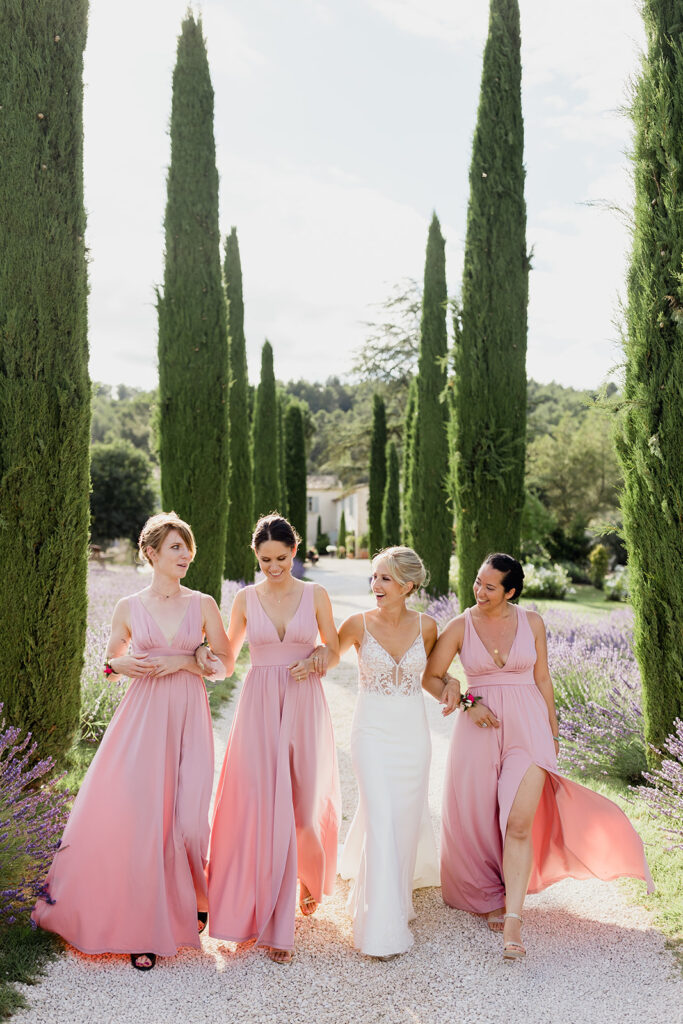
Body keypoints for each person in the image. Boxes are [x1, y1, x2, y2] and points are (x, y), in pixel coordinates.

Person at [423, 553, 654, 961]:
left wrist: (553, 730)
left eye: (490, 586)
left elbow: (542, 676)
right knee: (477, 815)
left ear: (510, 591)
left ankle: (514, 916)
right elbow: (432, 676)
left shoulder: (532, 623)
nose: (479, 591)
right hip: (479, 730)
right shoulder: (459, 625)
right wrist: (466, 700)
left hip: (528, 730)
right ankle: (487, 891)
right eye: (478, 582)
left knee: (517, 821)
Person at [32, 512, 233, 971]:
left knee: (188, 823)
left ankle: (198, 899)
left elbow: (225, 663)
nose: (186, 555)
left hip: (187, 716)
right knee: (145, 824)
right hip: (141, 720)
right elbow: (110, 660)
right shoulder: (128, 605)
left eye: (188, 547)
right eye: (176, 548)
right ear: (151, 553)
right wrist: (120, 666)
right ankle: (144, 930)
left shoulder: (202, 603)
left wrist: (191, 660)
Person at [204, 513, 340, 965]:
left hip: (304, 704)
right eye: (265, 559)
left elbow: (334, 649)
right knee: (262, 812)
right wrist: (197, 657)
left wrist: (318, 657)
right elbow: (227, 659)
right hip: (259, 707)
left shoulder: (315, 595)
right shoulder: (244, 598)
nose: (274, 566)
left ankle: (309, 876)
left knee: (301, 814)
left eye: (281, 558)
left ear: (294, 552)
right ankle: (272, 922)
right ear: (255, 555)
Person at [336, 547, 441, 959]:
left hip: (413, 736)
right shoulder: (356, 624)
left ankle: (394, 898)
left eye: (384, 578)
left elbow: (432, 679)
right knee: (380, 815)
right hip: (372, 733)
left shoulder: (428, 627)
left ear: (407, 586)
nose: (375, 585)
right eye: (373, 577)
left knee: (403, 818)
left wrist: (456, 692)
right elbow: (327, 656)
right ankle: (379, 927)